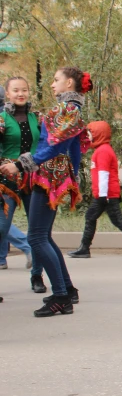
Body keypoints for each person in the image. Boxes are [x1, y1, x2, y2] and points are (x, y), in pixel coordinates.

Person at [0, 68, 88, 316]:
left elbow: (52, 147)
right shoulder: (70, 108)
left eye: (56, 80)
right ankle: (67, 290)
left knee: (36, 237)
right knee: (43, 237)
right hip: (53, 174)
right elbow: (76, 150)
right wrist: (74, 174)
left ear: (69, 82)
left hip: (47, 175)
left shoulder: (67, 109)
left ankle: (61, 296)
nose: (52, 84)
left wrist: (19, 165)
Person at [67, 121, 122, 260]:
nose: (88, 137)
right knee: (110, 219)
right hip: (105, 194)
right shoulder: (102, 150)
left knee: (98, 217)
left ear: (98, 134)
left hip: (106, 194)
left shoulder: (103, 151)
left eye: (90, 133)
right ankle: (85, 248)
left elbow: (104, 174)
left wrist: (103, 196)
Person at [0, 76, 46, 292]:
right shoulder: (1, 119)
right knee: (1, 227)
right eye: (16, 90)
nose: (21, 94)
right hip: (6, 181)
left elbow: (47, 145)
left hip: (35, 179)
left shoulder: (38, 118)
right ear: (7, 94)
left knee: (38, 232)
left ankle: (37, 276)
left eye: (24, 90)